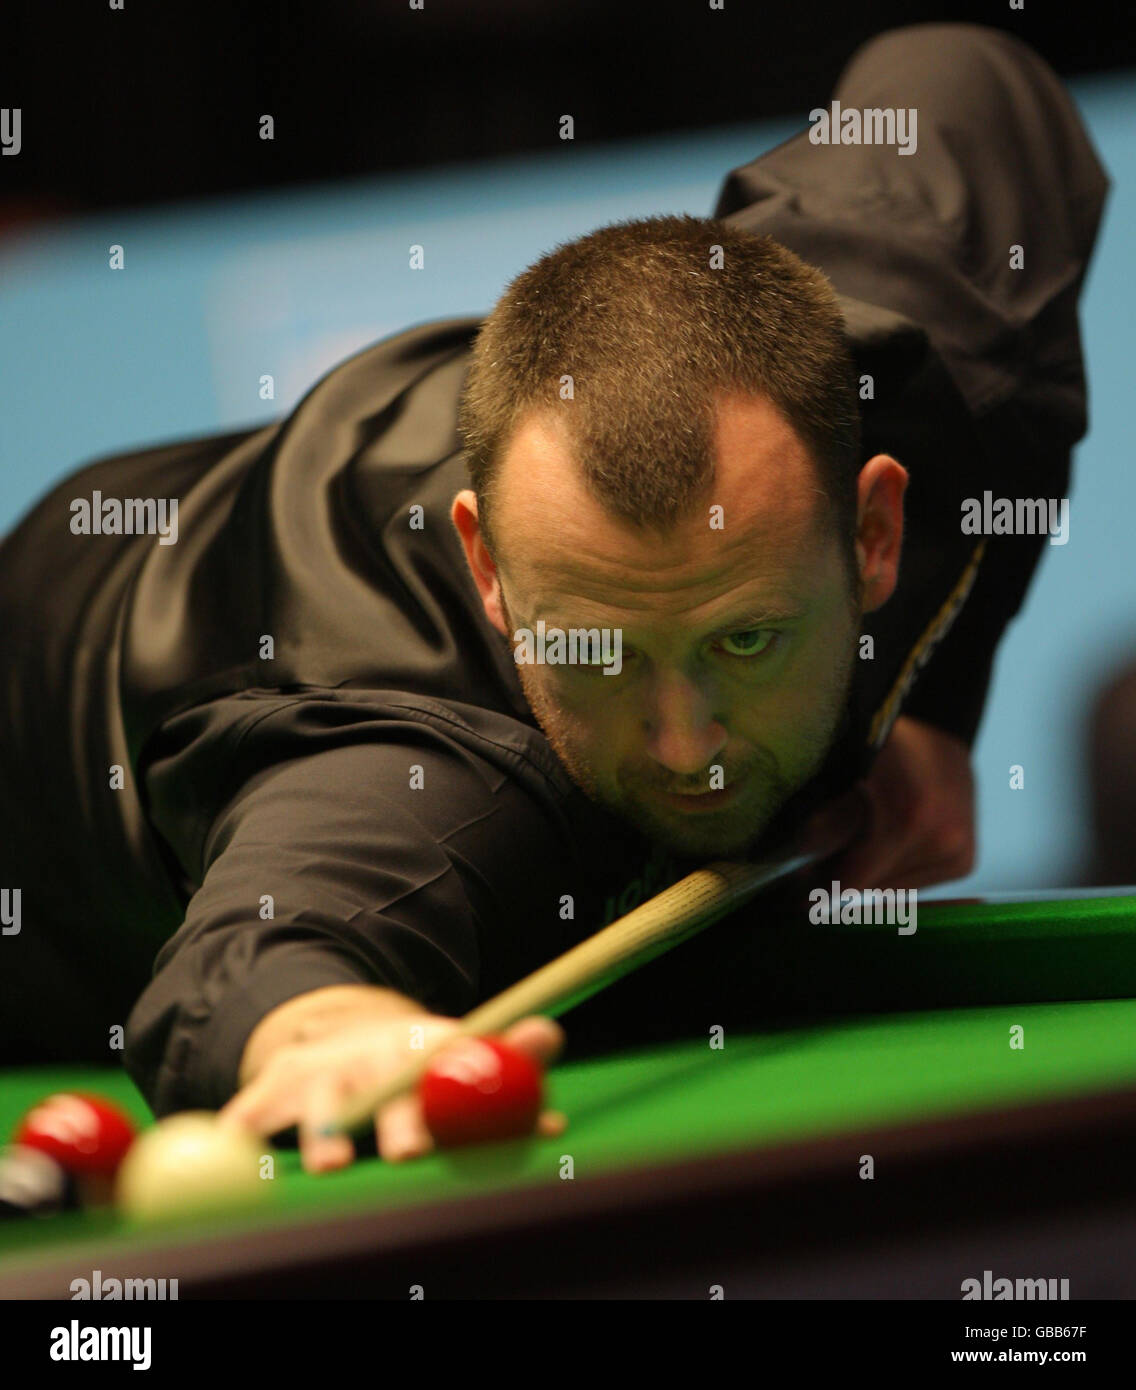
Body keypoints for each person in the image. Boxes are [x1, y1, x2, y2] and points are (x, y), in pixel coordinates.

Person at [0, 23, 1108, 1170]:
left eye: (746, 638)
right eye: (599, 653)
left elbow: (970, 78)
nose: (686, 747)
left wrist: (929, 691)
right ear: (488, 570)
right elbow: (270, 942)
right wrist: (323, 1026)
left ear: (872, 533)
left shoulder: (908, 357)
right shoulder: (434, 764)